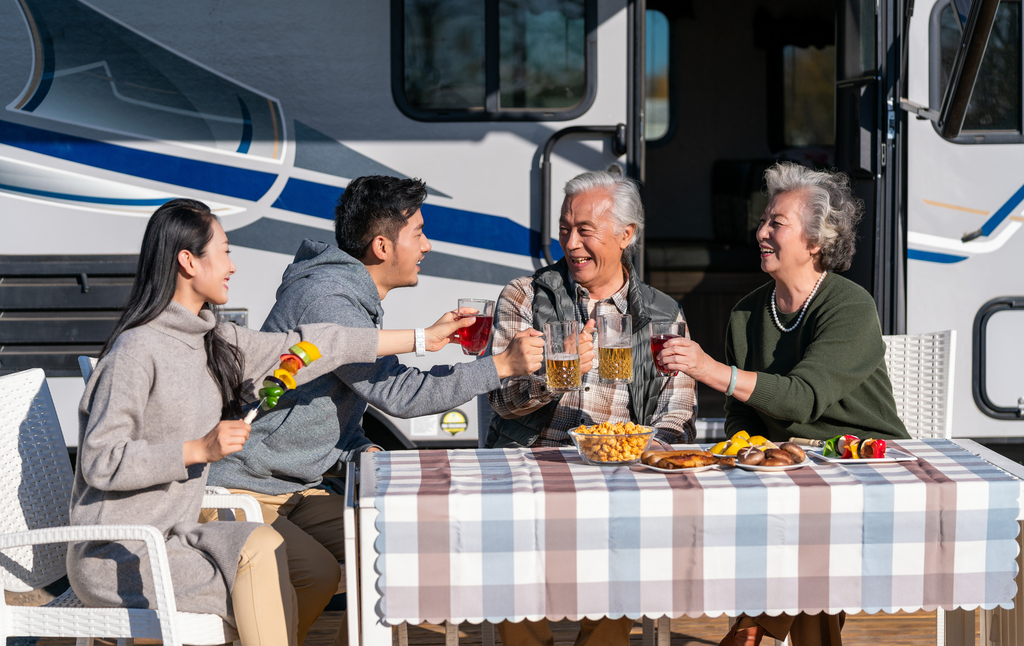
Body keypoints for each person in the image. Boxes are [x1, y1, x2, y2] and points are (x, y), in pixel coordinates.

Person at [69, 198, 474, 646]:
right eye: (223, 252)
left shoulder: (214, 340)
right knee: (264, 561)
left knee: (310, 572)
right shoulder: (135, 352)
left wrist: (424, 338)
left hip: (181, 536)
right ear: (188, 261)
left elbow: (318, 344)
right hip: (122, 554)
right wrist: (198, 450)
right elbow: (100, 461)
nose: (233, 266)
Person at [208, 175, 544, 645]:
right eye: (419, 233)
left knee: (397, 545)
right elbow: (401, 395)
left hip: (295, 487)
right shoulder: (329, 298)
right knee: (321, 572)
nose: (427, 245)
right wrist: (500, 366)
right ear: (383, 246)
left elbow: (332, 412)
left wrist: (366, 452)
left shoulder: (353, 295)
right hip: (247, 487)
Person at [656, 162, 910, 646]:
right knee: (798, 529)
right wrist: (742, 448)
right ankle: (753, 630)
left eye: (777, 223)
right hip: (784, 470)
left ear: (815, 242)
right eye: (763, 220)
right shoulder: (747, 312)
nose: (761, 232)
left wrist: (711, 370)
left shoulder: (850, 306)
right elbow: (743, 415)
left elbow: (801, 399)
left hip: (862, 466)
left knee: (810, 529)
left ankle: (752, 629)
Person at [484, 170, 698, 646]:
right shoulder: (526, 296)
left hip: (624, 474)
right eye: (565, 229)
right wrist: (554, 377)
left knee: (632, 548)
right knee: (512, 560)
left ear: (626, 235)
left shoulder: (663, 314)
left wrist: (647, 450)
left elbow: (678, 411)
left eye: (586, 230)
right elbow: (500, 400)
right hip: (533, 466)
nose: (572, 243)